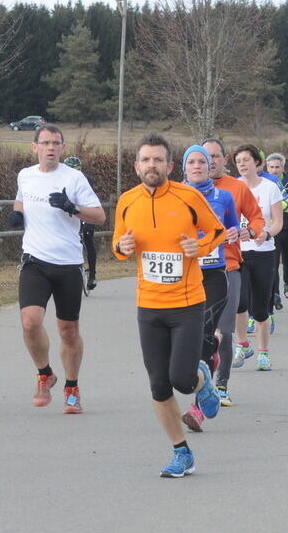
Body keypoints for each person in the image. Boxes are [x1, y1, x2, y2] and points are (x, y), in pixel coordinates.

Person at [112, 134, 224, 478]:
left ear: (169, 166)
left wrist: (199, 248)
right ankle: (181, 452)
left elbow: (218, 232)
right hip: (148, 305)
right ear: (136, 166)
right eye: (145, 160)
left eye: (158, 160)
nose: (151, 165)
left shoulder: (188, 196)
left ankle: (201, 378)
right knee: (159, 386)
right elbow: (117, 246)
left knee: (181, 378)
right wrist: (123, 247)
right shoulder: (127, 201)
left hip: (187, 303)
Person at [9, 124, 105, 413]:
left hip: (68, 264)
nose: (50, 147)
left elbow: (100, 216)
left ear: (63, 148)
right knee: (30, 321)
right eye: (45, 142)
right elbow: (22, 197)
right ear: (34, 147)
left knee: (68, 330)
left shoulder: (74, 178)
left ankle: (72, 386)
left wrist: (71, 207)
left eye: (56, 143)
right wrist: (17, 212)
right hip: (35, 261)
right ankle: (44, 373)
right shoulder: (25, 175)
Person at [177, 145, 238, 433]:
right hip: (184, 276)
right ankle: (210, 363)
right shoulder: (175, 195)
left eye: (204, 160)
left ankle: (198, 409)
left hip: (214, 276)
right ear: (184, 167)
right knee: (188, 340)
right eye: (193, 161)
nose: (199, 165)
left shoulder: (223, 197)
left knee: (202, 333)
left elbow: (233, 228)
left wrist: (235, 233)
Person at [201, 138, 265, 406]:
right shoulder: (185, 191)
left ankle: (222, 385)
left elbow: (258, 219)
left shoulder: (236, 188)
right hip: (196, 270)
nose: (210, 162)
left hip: (229, 266)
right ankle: (201, 383)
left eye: (215, 156)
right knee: (200, 331)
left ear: (224, 160)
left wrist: (247, 231)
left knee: (222, 331)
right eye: (205, 158)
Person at [232, 144, 283, 371]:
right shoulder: (232, 187)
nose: (242, 164)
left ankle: (263, 352)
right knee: (238, 302)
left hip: (264, 253)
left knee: (260, 307)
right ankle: (242, 345)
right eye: (238, 161)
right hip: (238, 252)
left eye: (246, 160)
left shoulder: (270, 188)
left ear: (257, 163)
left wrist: (266, 233)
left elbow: (278, 222)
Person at [265, 153, 288, 305]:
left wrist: (281, 202)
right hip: (273, 230)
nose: (274, 170)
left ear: (282, 168)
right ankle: (276, 294)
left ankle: (287, 280)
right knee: (273, 263)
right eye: (271, 167)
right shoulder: (263, 182)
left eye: (277, 167)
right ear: (267, 167)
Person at [64, 157, 98, 291]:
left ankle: (93, 275)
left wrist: (88, 218)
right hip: (70, 213)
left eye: (78, 170)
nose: (75, 173)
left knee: (88, 238)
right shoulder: (61, 179)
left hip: (85, 212)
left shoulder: (86, 179)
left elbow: (90, 200)